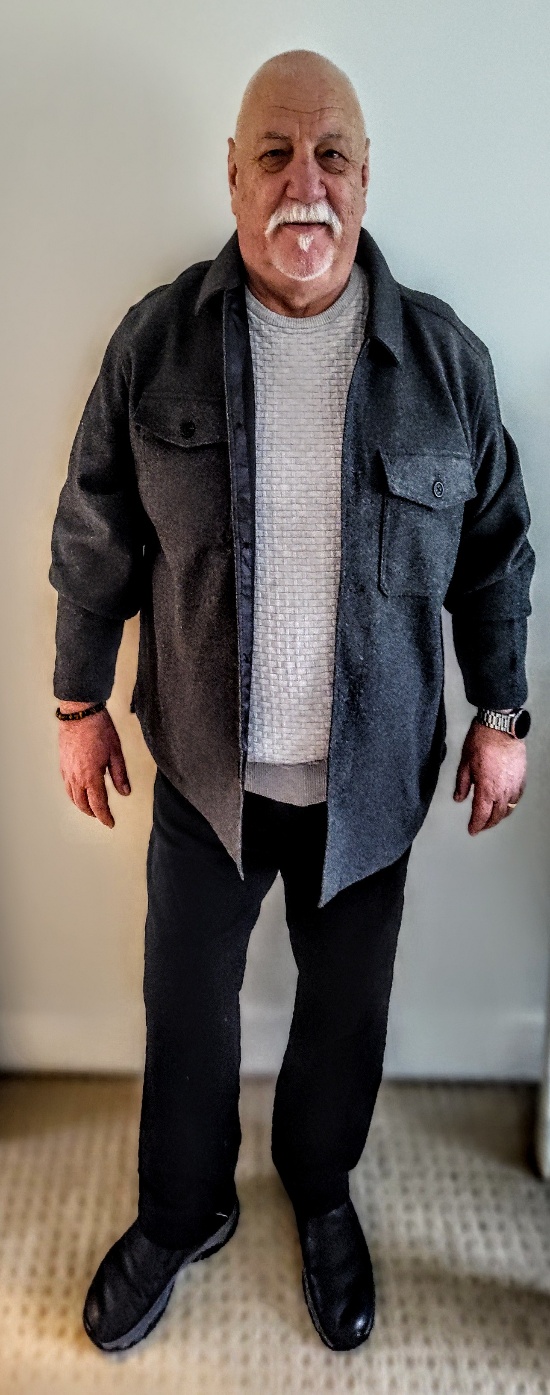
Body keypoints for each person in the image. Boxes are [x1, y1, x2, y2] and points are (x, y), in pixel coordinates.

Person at [49, 49, 535, 1354]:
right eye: (274, 154)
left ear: (367, 179)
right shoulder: (155, 344)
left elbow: (496, 553)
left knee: (343, 1020)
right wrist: (77, 701)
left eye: (331, 156)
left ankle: (320, 1195)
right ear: (232, 174)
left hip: (368, 788)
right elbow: (95, 532)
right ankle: (180, 1210)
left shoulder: (444, 362)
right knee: (185, 1017)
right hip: (206, 777)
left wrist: (502, 718)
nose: (302, 182)